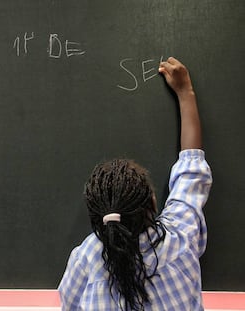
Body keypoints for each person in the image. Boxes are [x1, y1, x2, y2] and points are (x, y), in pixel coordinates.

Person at [58, 57, 212, 311]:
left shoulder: (87, 258)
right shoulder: (179, 240)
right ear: (153, 202)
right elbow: (191, 172)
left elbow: (69, 304)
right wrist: (186, 93)